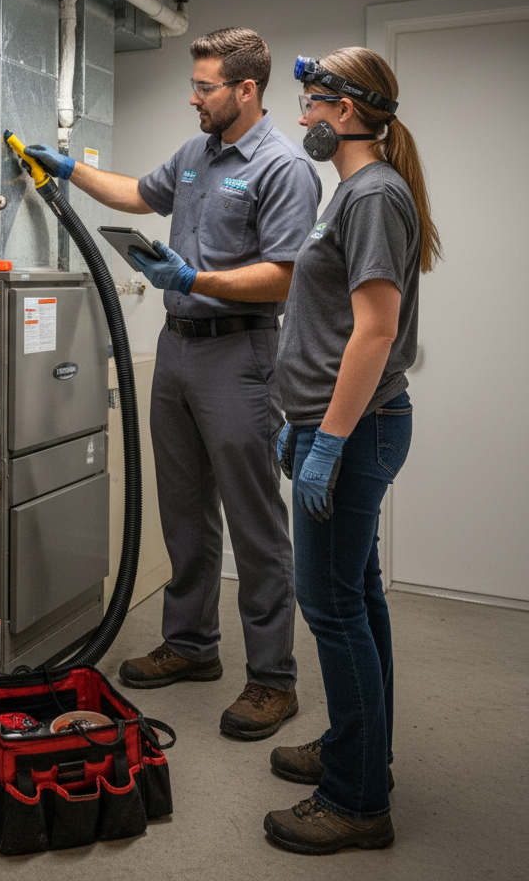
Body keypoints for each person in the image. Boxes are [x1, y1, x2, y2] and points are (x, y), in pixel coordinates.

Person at [25, 27, 319, 739]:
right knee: (184, 512)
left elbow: (282, 274)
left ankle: (273, 679)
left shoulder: (284, 168)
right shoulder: (197, 154)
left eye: (205, 87)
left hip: (240, 356)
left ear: (246, 90)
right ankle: (191, 646)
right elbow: (138, 192)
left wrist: (194, 279)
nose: (194, 97)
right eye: (194, 85)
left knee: (254, 526)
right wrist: (67, 170)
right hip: (178, 350)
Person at [263, 47, 442, 854]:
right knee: (358, 601)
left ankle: (357, 800)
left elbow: (375, 331)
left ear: (345, 109)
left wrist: (326, 441)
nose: (300, 116)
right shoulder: (357, 193)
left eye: (309, 103)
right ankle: (358, 752)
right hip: (335, 423)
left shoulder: (370, 194)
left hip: (357, 429)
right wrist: (299, 419)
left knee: (332, 611)